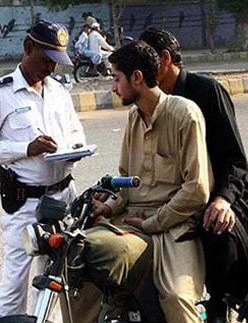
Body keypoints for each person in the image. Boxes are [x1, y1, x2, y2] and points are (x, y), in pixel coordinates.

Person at [70, 41, 210, 323]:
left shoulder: (184, 114)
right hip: (131, 221)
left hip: (173, 226)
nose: (113, 87)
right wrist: (108, 208)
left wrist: (152, 223)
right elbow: (125, 182)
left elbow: (197, 189)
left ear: (137, 78)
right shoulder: (133, 117)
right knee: (79, 269)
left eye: (116, 78)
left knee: (176, 297)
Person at [139, 28, 248, 323]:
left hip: (217, 195)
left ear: (165, 59)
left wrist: (223, 200)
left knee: (214, 226)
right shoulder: (147, 103)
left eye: (146, 60)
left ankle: (219, 306)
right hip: (171, 198)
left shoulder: (207, 93)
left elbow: (235, 160)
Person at [0, 19, 86, 317]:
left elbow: (76, 134)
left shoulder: (58, 90)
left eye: (56, 62)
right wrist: (25, 149)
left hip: (63, 198)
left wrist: (73, 150)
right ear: (28, 48)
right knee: (15, 282)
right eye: (47, 60)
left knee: (53, 281)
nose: (51, 68)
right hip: (24, 202)